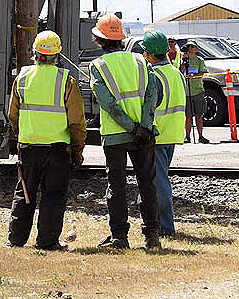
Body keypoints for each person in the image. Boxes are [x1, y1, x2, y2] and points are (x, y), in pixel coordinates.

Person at [88, 13, 163, 250]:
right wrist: (144, 127)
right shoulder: (141, 62)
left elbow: (108, 104)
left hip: (116, 137)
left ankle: (120, 237)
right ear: (121, 38)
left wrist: (131, 128)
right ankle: (152, 236)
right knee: (147, 184)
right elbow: (153, 95)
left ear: (99, 40)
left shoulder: (98, 66)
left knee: (117, 186)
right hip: (145, 134)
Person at [6, 31, 87, 250]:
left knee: (24, 193)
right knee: (53, 196)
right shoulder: (66, 81)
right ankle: (47, 242)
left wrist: (22, 135)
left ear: (34, 53)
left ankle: (16, 240)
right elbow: (77, 121)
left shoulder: (21, 78)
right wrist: (78, 150)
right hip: (58, 150)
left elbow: (13, 115)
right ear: (57, 55)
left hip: (29, 147)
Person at [142, 31, 186, 237]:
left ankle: (166, 227)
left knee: (160, 183)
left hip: (158, 134)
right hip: (173, 133)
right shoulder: (176, 72)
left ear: (150, 54)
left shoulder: (154, 76)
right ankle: (155, 219)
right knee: (160, 179)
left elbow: (150, 106)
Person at [180, 40, 209, 144]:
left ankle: (200, 136)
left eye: (192, 47)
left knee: (198, 115)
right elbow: (180, 71)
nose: (190, 48)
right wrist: (184, 61)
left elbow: (202, 72)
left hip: (198, 91)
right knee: (188, 116)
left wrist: (194, 76)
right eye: (189, 47)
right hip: (187, 92)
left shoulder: (199, 60)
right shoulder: (183, 60)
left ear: (197, 49)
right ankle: (187, 136)